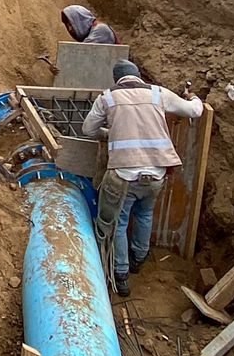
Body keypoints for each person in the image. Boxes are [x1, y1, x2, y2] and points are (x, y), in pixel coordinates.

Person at [81, 61, 202, 297]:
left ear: (117, 80)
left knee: (119, 222)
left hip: (124, 175)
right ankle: (139, 258)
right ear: (138, 76)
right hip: (156, 175)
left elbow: (88, 130)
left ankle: (121, 275)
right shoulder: (158, 93)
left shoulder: (107, 98)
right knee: (145, 214)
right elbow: (195, 111)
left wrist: (109, 132)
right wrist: (195, 97)